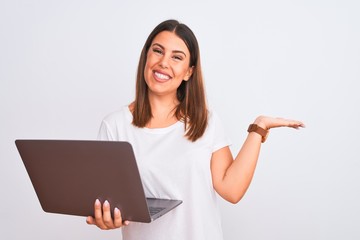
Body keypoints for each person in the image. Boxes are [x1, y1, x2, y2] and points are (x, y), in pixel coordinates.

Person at [86, 19, 304, 240]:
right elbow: (105, 202)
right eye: (158, 51)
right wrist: (105, 217)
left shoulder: (205, 121)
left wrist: (259, 128)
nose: (163, 62)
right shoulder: (115, 126)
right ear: (146, 57)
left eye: (177, 57)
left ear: (189, 72)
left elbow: (232, 189)